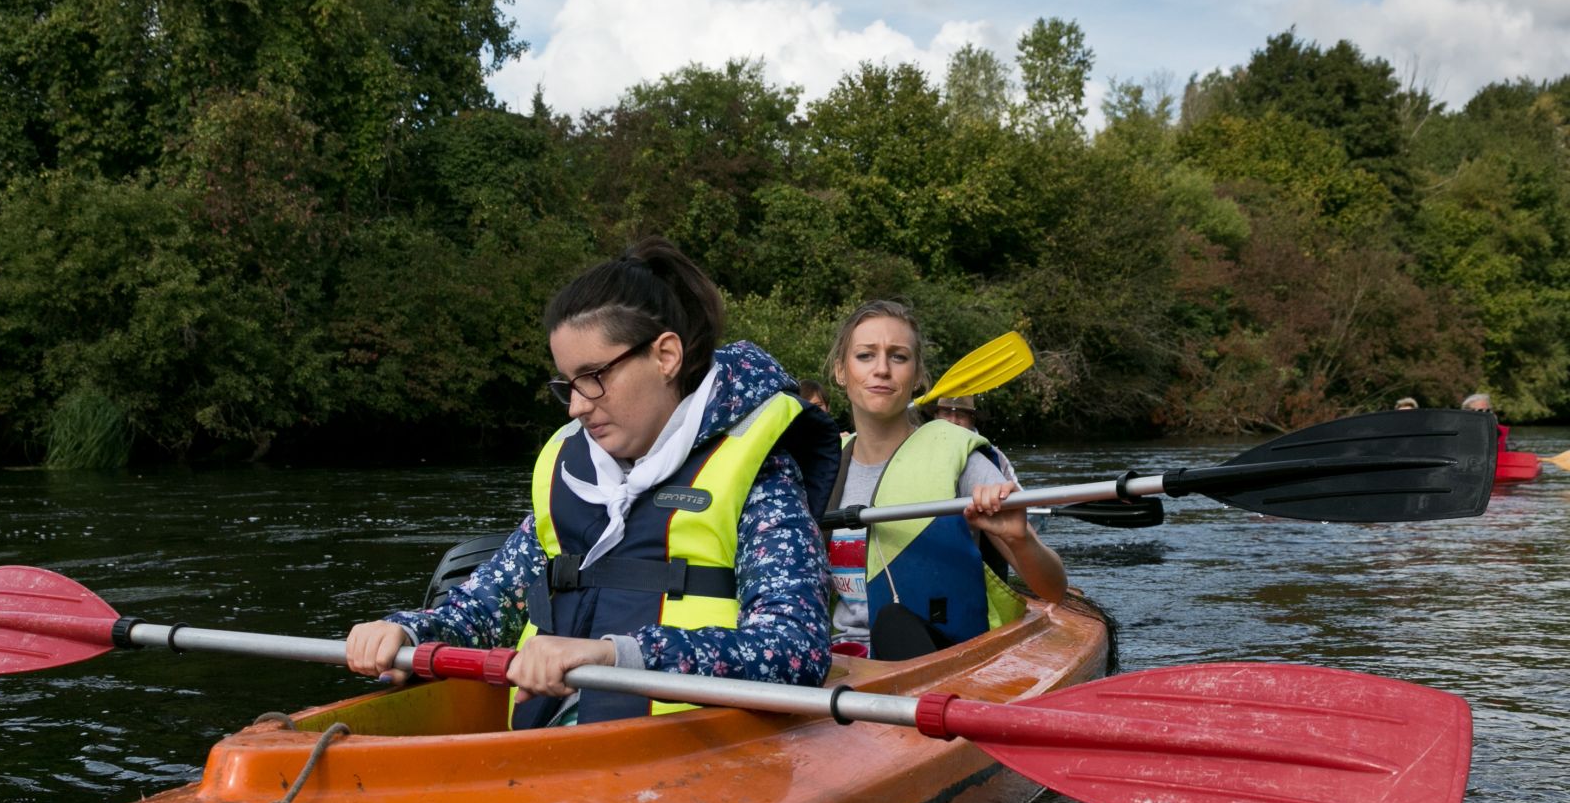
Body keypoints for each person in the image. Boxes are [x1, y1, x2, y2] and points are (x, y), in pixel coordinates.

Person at [345, 238, 839, 728]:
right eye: (567, 383)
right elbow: (488, 607)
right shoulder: (570, 473)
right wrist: (408, 631)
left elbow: (795, 649)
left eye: (593, 376)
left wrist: (615, 655)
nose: (577, 406)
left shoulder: (763, 476)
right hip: (555, 746)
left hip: (692, 749)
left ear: (666, 356)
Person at [825, 300, 1066, 657]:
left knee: (894, 625)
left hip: (938, 658)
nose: (882, 369)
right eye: (865, 356)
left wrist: (1020, 540)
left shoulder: (958, 456)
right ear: (841, 371)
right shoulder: (825, 466)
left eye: (898, 357)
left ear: (918, 376)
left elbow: (1053, 590)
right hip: (841, 661)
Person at [931, 394, 1017, 485]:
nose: (953, 421)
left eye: (961, 415)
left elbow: (1018, 491)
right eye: (947, 414)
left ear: (972, 421)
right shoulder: (923, 449)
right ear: (936, 417)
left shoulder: (995, 456)